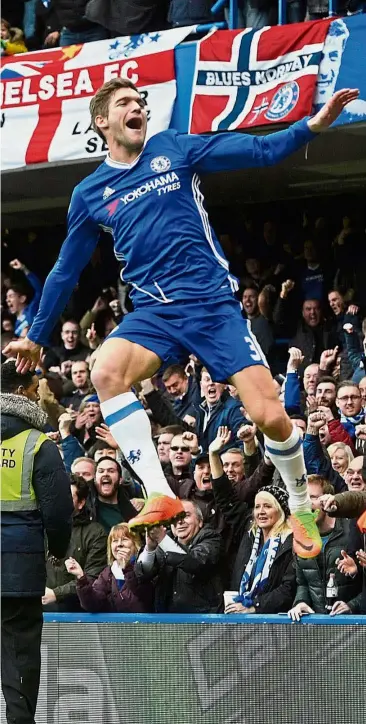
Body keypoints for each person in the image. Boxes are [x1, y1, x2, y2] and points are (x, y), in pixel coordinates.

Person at [4, 78, 359, 558]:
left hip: (213, 308)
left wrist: (312, 126)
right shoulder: (90, 193)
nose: (138, 108)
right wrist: (38, 337)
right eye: (126, 103)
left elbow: (256, 151)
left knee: (271, 417)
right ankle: (160, 492)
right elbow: (66, 269)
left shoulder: (173, 149)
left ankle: (299, 504)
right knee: (105, 370)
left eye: (141, 102)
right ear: (102, 121)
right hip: (155, 313)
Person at [1, 360, 73, 724]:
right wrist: (59, 550)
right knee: (21, 650)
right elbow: (58, 509)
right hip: (19, 564)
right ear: (25, 391)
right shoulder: (38, 444)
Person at [288, 475, 361, 621]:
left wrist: (353, 605)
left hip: (353, 623)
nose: (307, 505)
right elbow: (302, 582)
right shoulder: (299, 536)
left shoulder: (352, 529)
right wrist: (301, 602)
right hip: (317, 624)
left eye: (313, 498)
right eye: (303, 499)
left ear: (327, 499)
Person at [136, 500, 223, 613]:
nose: (180, 521)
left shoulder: (211, 538)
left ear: (200, 521)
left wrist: (162, 539)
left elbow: (194, 561)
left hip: (203, 621)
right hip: (168, 620)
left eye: (186, 516)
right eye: (175, 517)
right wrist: (150, 549)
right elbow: (143, 573)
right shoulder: (166, 539)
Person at [224, 485, 296, 615]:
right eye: (257, 506)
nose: (261, 511)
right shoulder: (250, 538)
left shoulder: (291, 542)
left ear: (281, 510)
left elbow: (288, 589)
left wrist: (255, 607)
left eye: (268, 506)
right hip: (244, 615)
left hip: (277, 621)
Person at [43, 475, 107, 611]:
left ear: (81, 502)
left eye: (68, 497)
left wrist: (56, 594)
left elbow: (92, 575)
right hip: (40, 607)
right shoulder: (40, 528)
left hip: (77, 611)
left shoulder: (95, 533)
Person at [65, 522, 153, 613]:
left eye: (124, 539)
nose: (119, 544)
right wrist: (81, 577)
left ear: (135, 544)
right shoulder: (108, 573)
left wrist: (127, 567)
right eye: (115, 541)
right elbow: (92, 604)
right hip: (115, 626)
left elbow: (145, 597)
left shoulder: (145, 565)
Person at [6, 259, 42, 338]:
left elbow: (39, 290)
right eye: (6, 297)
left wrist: (23, 268)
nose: (7, 300)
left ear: (22, 298)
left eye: (11, 296)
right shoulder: (15, 325)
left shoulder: (32, 309)